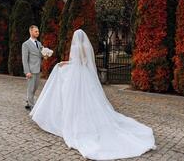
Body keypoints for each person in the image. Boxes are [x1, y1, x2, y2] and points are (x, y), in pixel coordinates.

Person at [30, 29, 156, 160]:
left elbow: (75, 61)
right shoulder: (85, 46)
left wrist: (64, 63)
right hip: (84, 74)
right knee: (88, 97)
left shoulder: (75, 46)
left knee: (74, 97)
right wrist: (68, 63)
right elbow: (85, 62)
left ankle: (75, 119)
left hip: (77, 73)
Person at [22, 25, 43, 110]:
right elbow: (24, 59)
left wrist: (45, 55)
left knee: (35, 87)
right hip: (31, 70)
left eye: (38, 31)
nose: (37, 33)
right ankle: (32, 106)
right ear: (31, 32)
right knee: (31, 88)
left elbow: (40, 54)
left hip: (38, 69)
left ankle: (28, 101)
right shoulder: (26, 44)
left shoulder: (39, 43)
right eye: (36, 31)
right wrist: (27, 71)